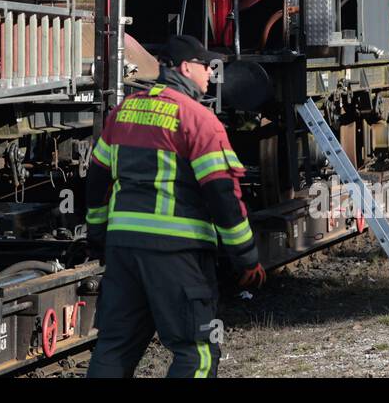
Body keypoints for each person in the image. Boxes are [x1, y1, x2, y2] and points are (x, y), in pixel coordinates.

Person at [85, 35, 266, 378]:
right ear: (186, 68)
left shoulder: (124, 112)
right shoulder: (198, 119)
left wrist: (98, 234)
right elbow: (222, 195)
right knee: (196, 352)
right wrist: (245, 256)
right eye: (205, 66)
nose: (210, 74)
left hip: (124, 249)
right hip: (177, 253)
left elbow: (96, 178)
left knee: (114, 348)